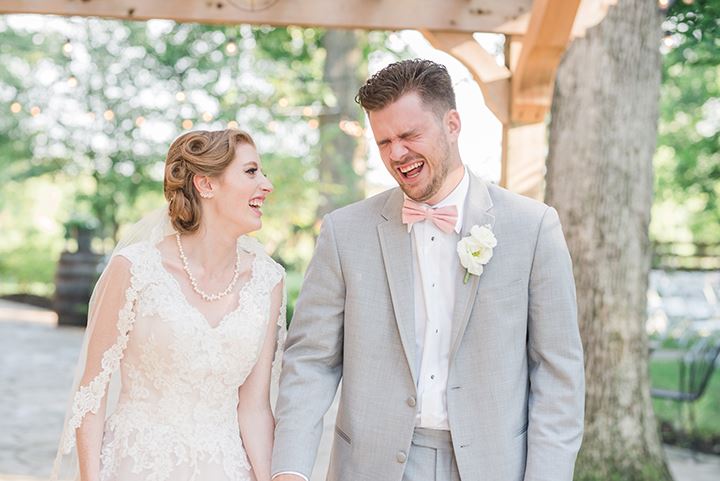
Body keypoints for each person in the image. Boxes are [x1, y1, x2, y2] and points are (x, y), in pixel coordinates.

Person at [272, 59, 585, 481]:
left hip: (493, 466)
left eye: (409, 135)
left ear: (452, 124)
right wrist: (289, 469)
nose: (396, 154)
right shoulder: (344, 232)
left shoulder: (533, 227)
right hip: (370, 466)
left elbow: (557, 375)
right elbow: (310, 361)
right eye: (383, 142)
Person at [52, 129, 286, 481]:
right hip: (136, 466)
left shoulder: (268, 281)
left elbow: (254, 408)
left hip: (226, 469)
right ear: (206, 185)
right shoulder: (134, 269)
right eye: (252, 172)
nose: (266, 185)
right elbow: (92, 393)